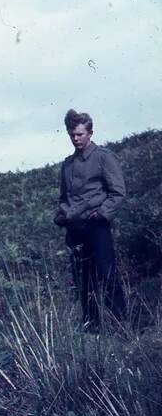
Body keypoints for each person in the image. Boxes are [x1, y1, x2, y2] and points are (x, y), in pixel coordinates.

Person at [54, 109, 127, 331]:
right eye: (72, 135)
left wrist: (101, 214)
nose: (76, 138)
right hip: (75, 229)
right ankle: (91, 327)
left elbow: (118, 192)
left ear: (90, 133)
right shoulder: (67, 164)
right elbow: (64, 197)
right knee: (83, 280)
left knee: (107, 275)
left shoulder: (103, 157)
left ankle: (120, 326)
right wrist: (63, 215)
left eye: (80, 134)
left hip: (97, 227)